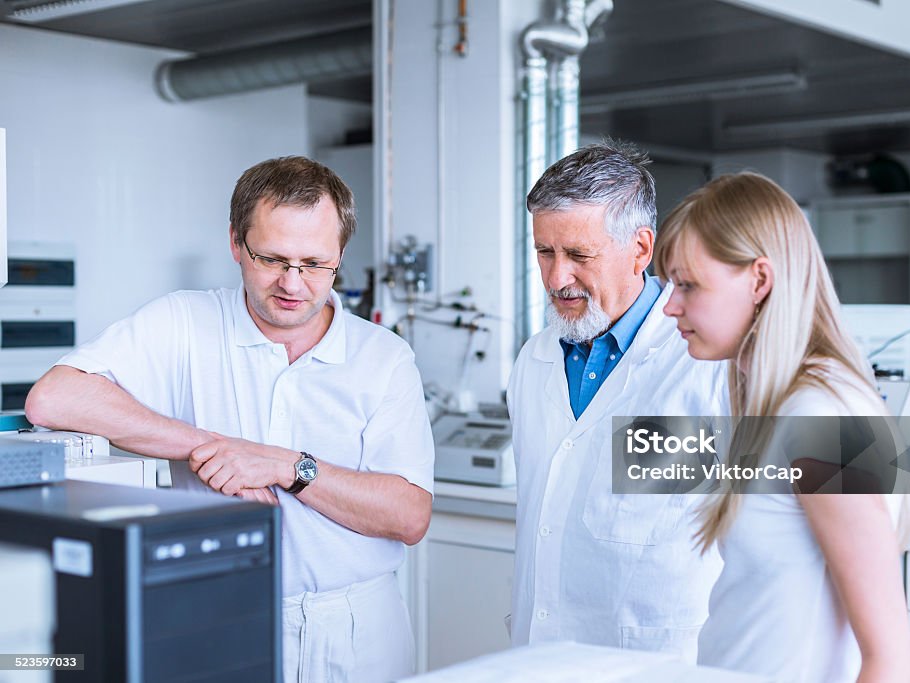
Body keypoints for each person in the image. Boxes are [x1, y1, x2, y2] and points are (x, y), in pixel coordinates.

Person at [25, 156, 434, 683]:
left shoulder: (383, 356)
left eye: (314, 264)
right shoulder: (184, 322)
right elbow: (52, 399)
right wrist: (212, 446)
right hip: (219, 612)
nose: (293, 283)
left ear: (340, 257)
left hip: (356, 630)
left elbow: (408, 517)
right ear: (236, 243)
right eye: (272, 259)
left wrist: (287, 466)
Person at [655, 171, 910, 682]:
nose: (670, 306)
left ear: (759, 279)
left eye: (688, 284)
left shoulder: (819, 418)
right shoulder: (771, 403)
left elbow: (889, 661)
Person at [506, 141, 729, 660]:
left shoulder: (707, 361)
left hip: (660, 661)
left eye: (580, 255)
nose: (557, 278)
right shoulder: (533, 361)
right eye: (544, 252)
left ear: (641, 249)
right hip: (540, 656)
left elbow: (868, 472)